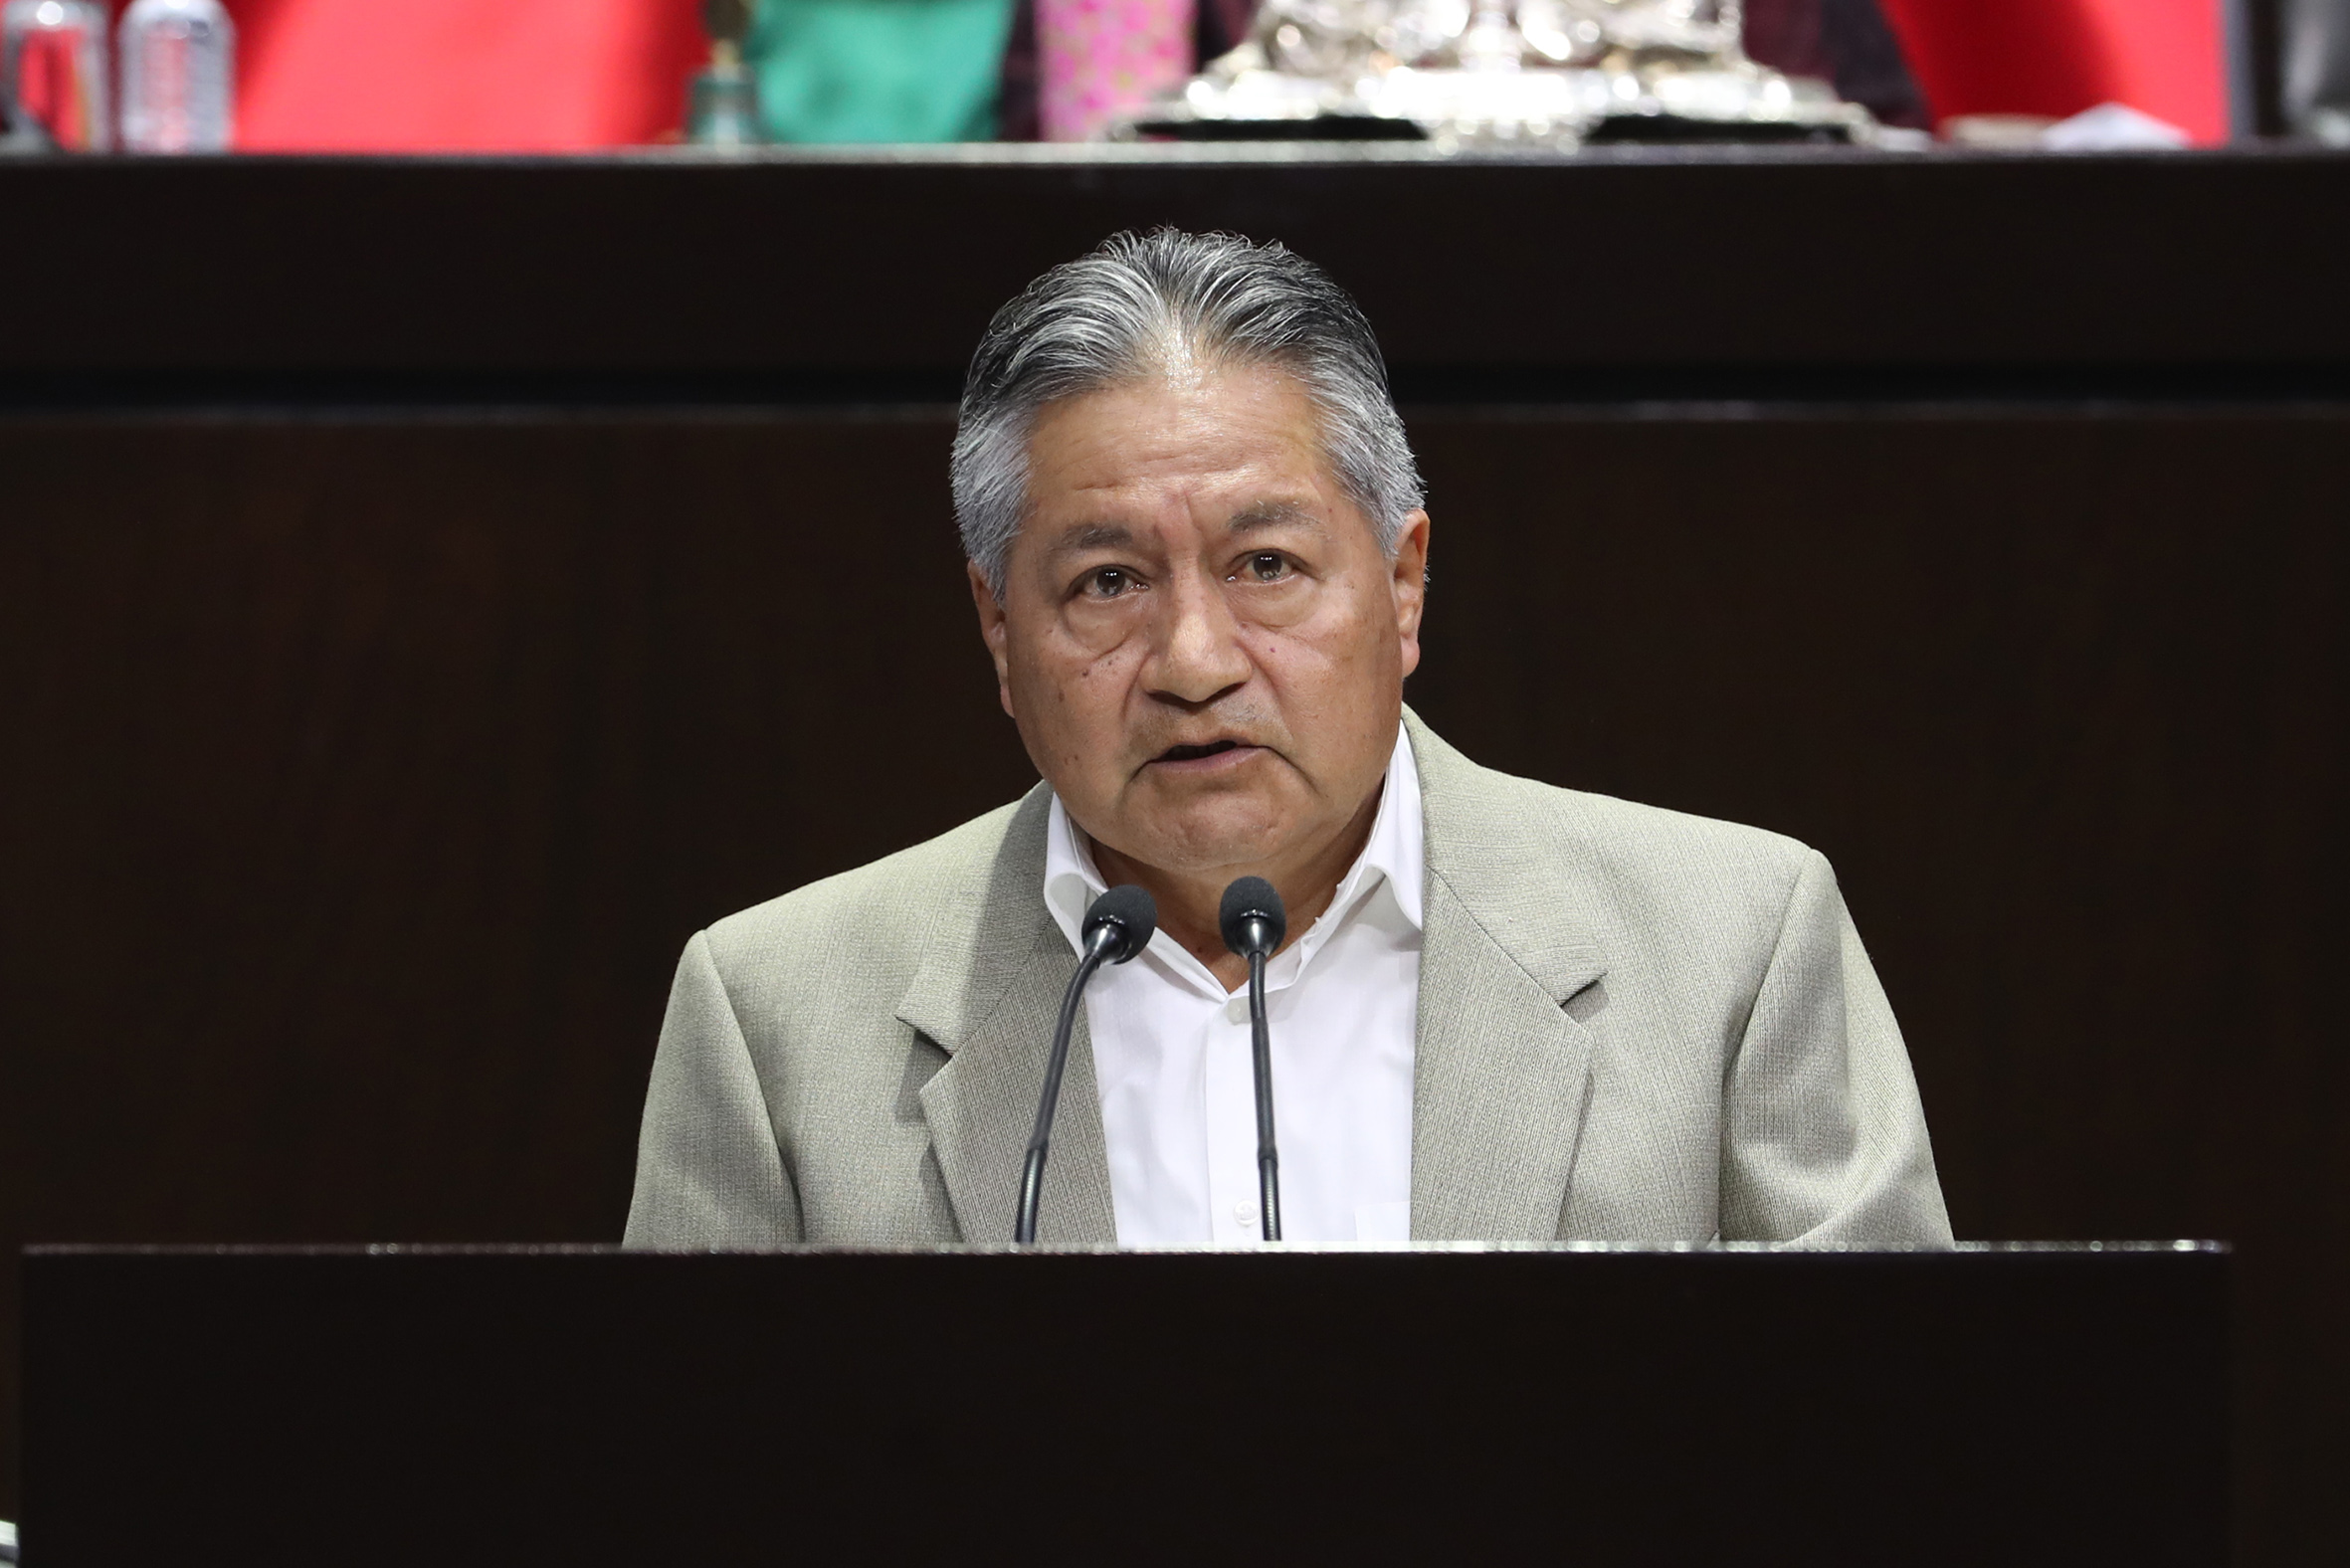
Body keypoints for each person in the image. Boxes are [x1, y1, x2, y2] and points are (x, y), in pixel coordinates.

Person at [624, 229, 1951, 1250]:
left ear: (1403, 584)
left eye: (1265, 564)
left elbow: (1896, 1445)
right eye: (1106, 582)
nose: (1194, 663)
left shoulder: (1728, 951)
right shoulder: (777, 1015)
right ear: (997, 628)